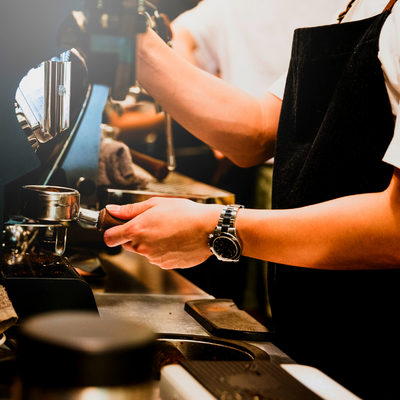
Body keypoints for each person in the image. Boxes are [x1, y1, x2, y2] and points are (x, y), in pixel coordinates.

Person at [103, 0, 400, 398]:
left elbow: (396, 227)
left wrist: (217, 227)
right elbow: (257, 128)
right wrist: (129, 36)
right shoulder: (361, 5)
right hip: (322, 339)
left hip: (383, 349)